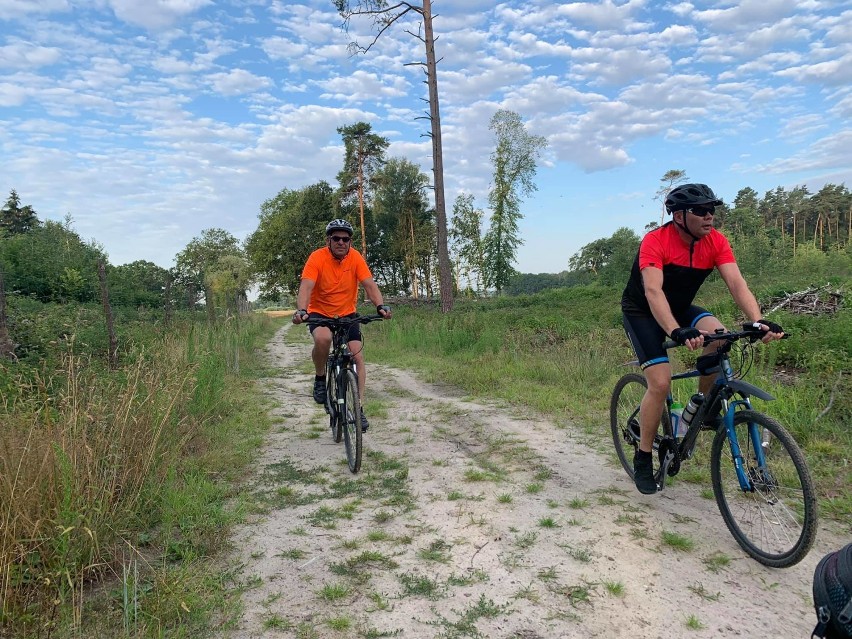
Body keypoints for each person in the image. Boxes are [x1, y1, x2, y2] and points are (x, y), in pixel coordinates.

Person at [620, 183, 784, 494]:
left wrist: (758, 320)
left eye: (712, 210)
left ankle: (704, 407)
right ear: (679, 216)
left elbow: (737, 283)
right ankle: (643, 457)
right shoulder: (656, 241)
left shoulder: (715, 241)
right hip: (642, 311)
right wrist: (675, 331)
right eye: (701, 211)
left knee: (721, 338)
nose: (709, 217)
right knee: (660, 382)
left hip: (679, 307)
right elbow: (653, 292)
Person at [292, 218, 392, 432]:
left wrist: (381, 305)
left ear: (350, 242)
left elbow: (369, 285)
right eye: (336, 238)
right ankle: (320, 377)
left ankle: (358, 408)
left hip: (347, 314)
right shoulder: (317, 258)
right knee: (323, 338)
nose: (341, 242)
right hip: (320, 312)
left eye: (345, 239)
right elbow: (306, 286)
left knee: (357, 355)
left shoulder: (355, 258)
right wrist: (302, 310)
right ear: (329, 240)